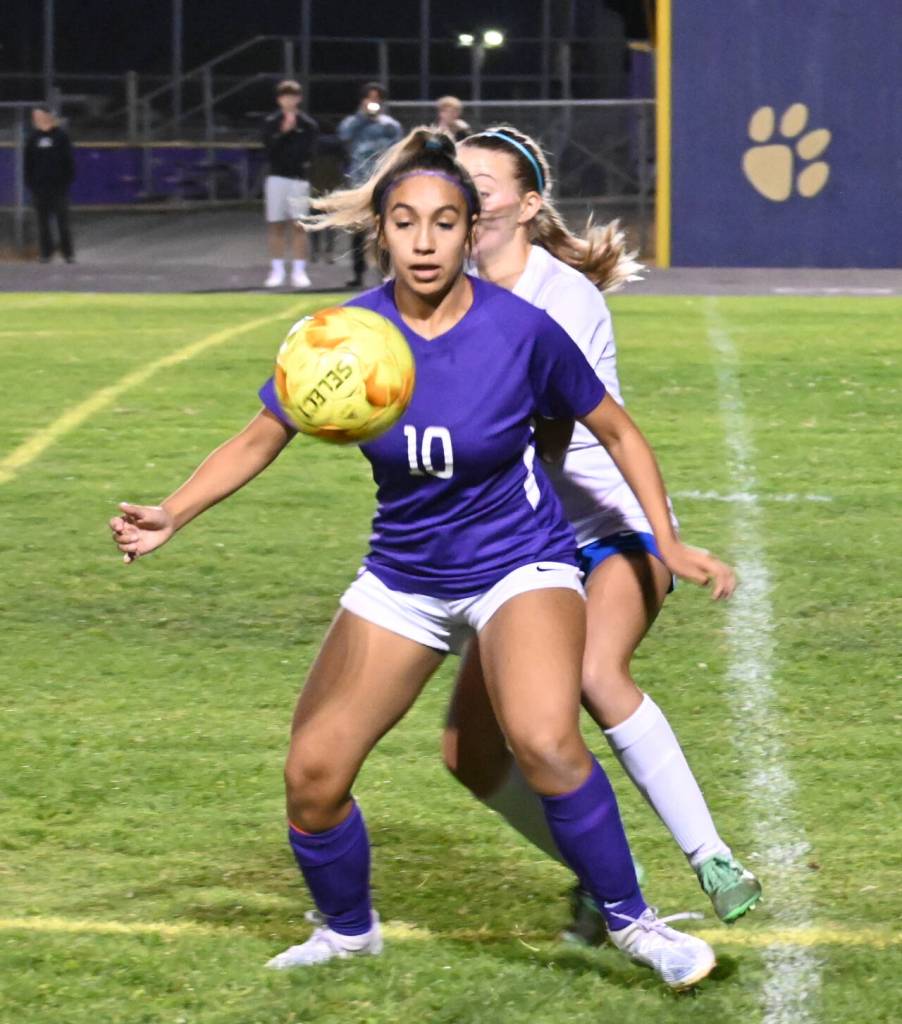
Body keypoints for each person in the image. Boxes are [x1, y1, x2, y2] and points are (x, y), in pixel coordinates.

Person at [109, 127, 736, 992]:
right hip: (404, 576)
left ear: (472, 227)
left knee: (547, 739)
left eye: (446, 221)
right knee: (313, 775)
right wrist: (171, 512)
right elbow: (261, 435)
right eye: (406, 222)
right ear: (384, 233)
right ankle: (346, 933)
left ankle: (638, 925)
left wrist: (664, 540)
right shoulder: (342, 338)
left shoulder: (521, 329)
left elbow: (617, 430)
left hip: (519, 564)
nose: (427, 240)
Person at [444, 126, 762, 942]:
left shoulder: (564, 301)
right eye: (459, 179)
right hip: (518, 543)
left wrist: (669, 543)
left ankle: (713, 856)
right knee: (469, 754)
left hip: (608, 524)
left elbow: (560, 438)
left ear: (527, 203)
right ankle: (596, 874)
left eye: (485, 183)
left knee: (592, 671)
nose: (468, 195)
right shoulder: (441, 287)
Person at [337, 82, 402, 288]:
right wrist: (362, 117)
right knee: (358, 231)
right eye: (369, 97)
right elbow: (343, 136)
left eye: (377, 98)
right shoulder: (353, 123)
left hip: (383, 183)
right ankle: (358, 274)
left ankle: (386, 272)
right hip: (359, 182)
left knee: (385, 230)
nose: (373, 102)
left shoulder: (390, 125)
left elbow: (398, 150)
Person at [262, 80, 319, 289]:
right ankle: (277, 270)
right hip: (276, 178)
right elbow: (268, 151)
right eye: (285, 96)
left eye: (293, 96)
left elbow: (308, 153)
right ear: (279, 99)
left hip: (298, 180)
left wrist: (294, 132)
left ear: (299, 99)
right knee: (276, 224)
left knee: (299, 226)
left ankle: (299, 271)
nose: (289, 100)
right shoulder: (270, 122)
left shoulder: (308, 125)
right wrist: (283, 133)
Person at [24, 106, 76, 264]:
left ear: (47, 116)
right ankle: (46, 253)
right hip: (39, 188)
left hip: (58, 187)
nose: (36, 119)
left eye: (39, 115)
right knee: (43, 223)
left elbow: (68, 161)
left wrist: (66, 180)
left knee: (62, 221)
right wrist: (31, 183)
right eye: (34, 117)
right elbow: (28, 163)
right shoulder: (33, 138)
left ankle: (68, 253)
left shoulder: (61, 136)